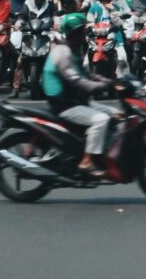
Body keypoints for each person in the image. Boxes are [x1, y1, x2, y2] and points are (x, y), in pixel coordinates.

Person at [42, 12, 121, 177]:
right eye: (80, 32)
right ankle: (87, 161)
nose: (84, 34)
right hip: (65, 105)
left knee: (117, 115)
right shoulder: (63, 53)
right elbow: (77, 81)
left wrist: (112, 82)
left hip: (77, 100)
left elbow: (87, 74)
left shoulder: (74, 50)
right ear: (72, 33)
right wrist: (100, 87)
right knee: (101, 119)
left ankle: (101, 153)